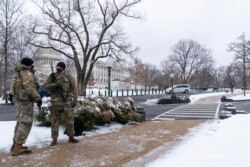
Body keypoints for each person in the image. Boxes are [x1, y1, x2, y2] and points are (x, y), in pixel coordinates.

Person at [10, 57, 41, 156]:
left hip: (19, 101)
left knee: (20, 122)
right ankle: (17, 148)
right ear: (29, 65)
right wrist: (38, 98)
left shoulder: (17, 73)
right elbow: (30, 88)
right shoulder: (26, 73)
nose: (33, 66)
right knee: (26, 123)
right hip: (25, 102)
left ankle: (15, 145)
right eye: (32, 65)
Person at [43, 62, 79, 146]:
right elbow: (45, 86)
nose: (58, 69)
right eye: (57, 68)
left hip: (67, 102)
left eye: (60, 68)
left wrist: (75, 99)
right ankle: (54, 139)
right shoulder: (52, 76)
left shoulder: (69, 76)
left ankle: (71, 137)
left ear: (64, 68)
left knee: (70, 120)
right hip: (55, 103)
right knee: (55, 121)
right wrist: (54, 84)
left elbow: (74, 88)